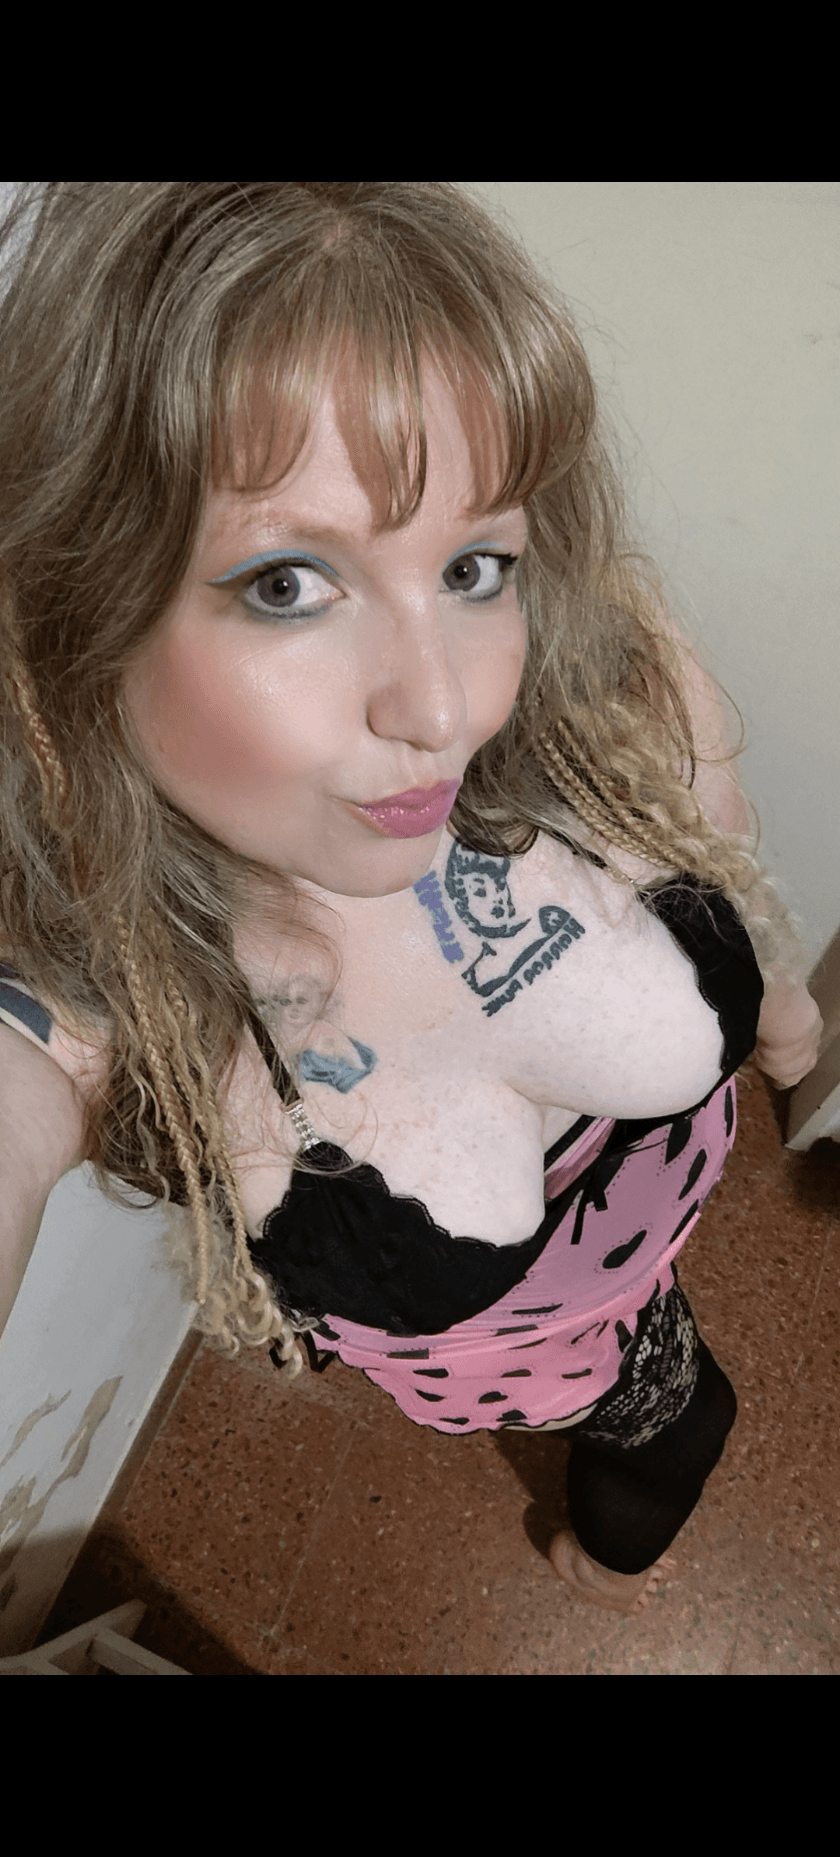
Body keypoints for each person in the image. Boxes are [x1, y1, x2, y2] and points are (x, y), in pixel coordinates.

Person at [0, 182, 822, 1617]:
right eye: (286, 584)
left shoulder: (603, 676)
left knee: (678, 1411)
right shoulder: (93, 980)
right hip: (512, 1360)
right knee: (666, 1435)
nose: (443, 708)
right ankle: (598, 1555)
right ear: (76, 619)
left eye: (472, 565)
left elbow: (728, 851)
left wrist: (792, 1017)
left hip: (658, 1246)